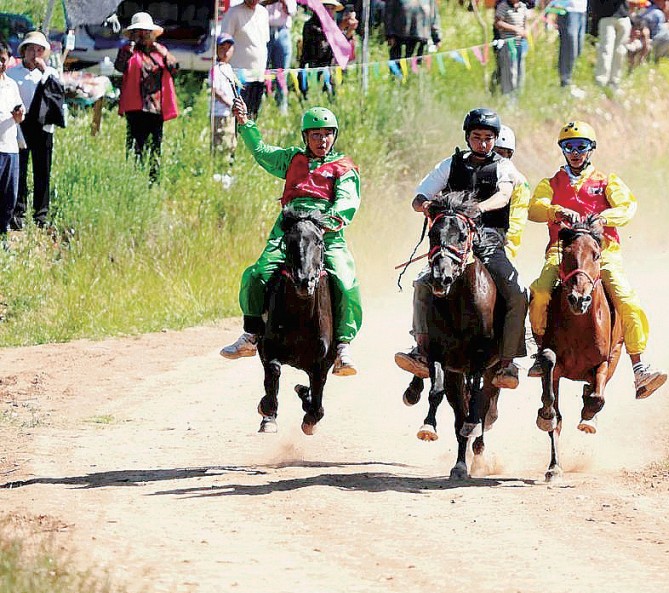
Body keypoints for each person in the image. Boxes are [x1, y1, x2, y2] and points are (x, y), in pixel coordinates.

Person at [220, 100, 364, 377]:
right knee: (256, 274)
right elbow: (262, 152)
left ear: (335, 136)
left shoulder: (343, 167)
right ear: (305, 137)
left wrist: (324, 223)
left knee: (346, 283)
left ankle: (343, 346)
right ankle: (251, 334)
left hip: (326, 234)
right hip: (288, 230)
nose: (322, 140)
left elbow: (346, 202)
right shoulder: (291, 159)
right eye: (316, 135)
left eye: (328, 134)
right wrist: (245, 123)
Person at [526, 122, 668, 399]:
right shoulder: (550, 183)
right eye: (569, 147)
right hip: (562, 251)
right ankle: (541, 351)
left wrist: (604, 217)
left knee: (627, 301)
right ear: (562, 150)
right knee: (540, 291)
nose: (575, 152)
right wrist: (556, 212)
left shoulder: (607, 181)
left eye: (581, 146)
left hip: (602, 252)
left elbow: (627, 207)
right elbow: (534, 209)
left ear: (591, 149)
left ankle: (639, 367)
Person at [394, 109, 528, 390]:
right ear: (467, 137)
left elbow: (503, 196)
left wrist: (478, 208)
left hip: (488, 241)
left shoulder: (503, 167)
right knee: (421, 282)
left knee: (517, 291)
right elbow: (420, 196)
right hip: (453, 240)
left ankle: (508, 360)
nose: (483, 143)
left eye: (488, 138)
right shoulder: (450, 165)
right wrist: (426, 205)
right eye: (477, 137)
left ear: (495, 139)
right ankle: (421, 350)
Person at [115, 12, 180, 184]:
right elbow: (119, 67)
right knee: (135, 145)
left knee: (155, 146)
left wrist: (162, 52)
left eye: (146, 31)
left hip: (156, 108)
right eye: (139, 31)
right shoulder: (128, 51)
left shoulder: (160, 52)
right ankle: (134, 179)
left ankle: (153, 180)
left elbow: (174, 69)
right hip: (135, 107)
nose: (143, 35)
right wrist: (130, 46)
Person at [8, 31, 62, 230]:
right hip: (21, 123)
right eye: (31, 49)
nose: (35, 54)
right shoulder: (13, 73)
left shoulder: (50, 73)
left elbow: (57, 93)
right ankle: (18, 211)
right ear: (24, 51)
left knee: (42, 170)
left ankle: (41, 213)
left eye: (39, 50)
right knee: (20, 169)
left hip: (43, 124)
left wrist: (44, 70)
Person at [221, 0, 271, 119]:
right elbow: (224, 42)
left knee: (253, 114)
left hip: (258, 74)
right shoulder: (233, 13)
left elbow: (265, 41)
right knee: (239, 116)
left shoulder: (263, 13)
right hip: (240, 76)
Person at [493, 125, 529, 261]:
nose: (497, 157)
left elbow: (516, 221)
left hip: (502, 245)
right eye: (495, 152)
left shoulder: (519, 181)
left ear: (510, 154)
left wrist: (504, 246)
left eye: (502, 153)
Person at [0, 46, 24, 242]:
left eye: (2, 59)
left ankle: (3, 233)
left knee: (9, 196)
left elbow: (20, 116)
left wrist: (18, 115)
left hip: (10, 147)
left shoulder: (11, 85)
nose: (0, 64)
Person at [298, 0, 345, 98]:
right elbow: (319, 50)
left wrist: (347, 31)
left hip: (329, 68)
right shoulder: (310, 26)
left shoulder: (333, 26)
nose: (330, 11)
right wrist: (339, 30)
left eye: (332, 9)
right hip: (313, 68)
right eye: (327, 8)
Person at [264, 0, 297, 112]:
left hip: (282, 30)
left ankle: (282, 107)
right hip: (264, 29)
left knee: (282, 71)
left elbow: (291, 11)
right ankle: (260, 103)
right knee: (261, 69)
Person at [209, 34, 240, 156]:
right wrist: (230, 104)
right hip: (219, 113)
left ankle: (227, 163)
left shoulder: (229, 68)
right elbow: (215, 90)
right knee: (221, 140)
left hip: (229, 112)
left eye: (228, 48)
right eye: (222, 48)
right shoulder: (215, 68)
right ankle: (218, 164)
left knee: (230, 140)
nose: (225, 52)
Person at [592, 0, 630, 89]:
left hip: (623, 16)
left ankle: (614, 81)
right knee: (606, 49)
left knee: (620, 51)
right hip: (606, 15)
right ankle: (601, 81)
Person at [494, 0, 529, 96]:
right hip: (508, 44)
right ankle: (508, 95)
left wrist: (526, 31)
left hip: (520, 44)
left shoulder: (522, 6)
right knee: (509, 71)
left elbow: (525, 22)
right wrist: (515, 29)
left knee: (520, 70)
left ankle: (518, 94)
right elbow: (498, 23)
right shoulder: (503, 6)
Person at [553, 0, 587, 90]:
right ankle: (565, 81)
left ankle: (571, 78)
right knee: (569, 46)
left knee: (578, 47)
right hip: (567, 10)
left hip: (582, 11)